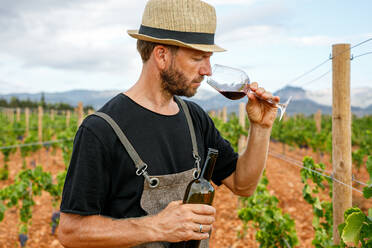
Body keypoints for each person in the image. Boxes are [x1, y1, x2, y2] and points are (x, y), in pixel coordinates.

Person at [57, 0, 280, 247]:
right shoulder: (101, 129)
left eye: (209, 58)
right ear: (161, 55)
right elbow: (70, 231)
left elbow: (243, 184)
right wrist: (155, 226)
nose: (207, 70)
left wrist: (261, 128)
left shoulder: (195, 117)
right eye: (198, 58)